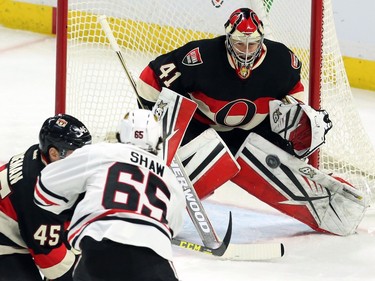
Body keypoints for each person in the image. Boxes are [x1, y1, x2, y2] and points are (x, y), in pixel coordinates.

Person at [133, 7, 367, 237]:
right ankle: (152, 208)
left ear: (262, 40)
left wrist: (300, 127)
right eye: (239, 43)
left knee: (293, 141)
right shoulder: (200, 57)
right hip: (201, 130)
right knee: (186, 163)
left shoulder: (282, 62)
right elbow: (149, 80)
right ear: (228, 39)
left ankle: (329, 207)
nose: (246, 50)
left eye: (252, 44)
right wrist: (156, 124)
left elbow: (293, 99)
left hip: (253, 131)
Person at [34, 109, 186, 281]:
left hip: (99, 249)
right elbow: (173, 227)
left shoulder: (100, 152)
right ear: (159, 141)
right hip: (155, 257)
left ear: (120, 134)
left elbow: (44, 190)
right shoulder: (171, 179)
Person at [0, 114, 92, 281]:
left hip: (20, 224)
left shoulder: (45, 160)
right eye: (77, 153)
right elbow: (52, 264)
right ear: (54, 153)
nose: (84, 159)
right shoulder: (36, 192)